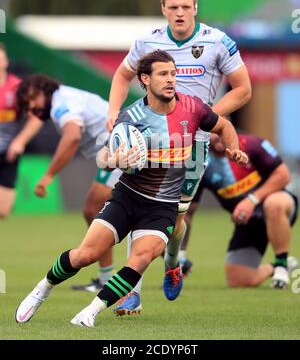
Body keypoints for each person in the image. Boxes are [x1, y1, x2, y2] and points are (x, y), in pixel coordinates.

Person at [15, 50, 248, 327]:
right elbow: (104, 156)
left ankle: (92, 311)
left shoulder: (193, 107)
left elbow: (223, 125)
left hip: (164, 204)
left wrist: (233, 148)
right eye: (163, 74)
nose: (171, 79)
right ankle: (42, 289)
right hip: (128, 197)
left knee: (143, 256)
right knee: (85, 255)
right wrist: (114, 158)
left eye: (173, 73)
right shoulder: (130, 117)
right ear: (145, 79)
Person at [103, 0, 251, 314]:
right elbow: (122, 75)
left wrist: (206, 116)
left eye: (186, 7)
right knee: (138, 206)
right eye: (173, 8)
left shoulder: (217, 41)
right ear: (164, 10)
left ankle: (172, 261)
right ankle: (131, 291)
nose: (180, 13)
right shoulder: (147, 42)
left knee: (175, 219)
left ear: (196, 8)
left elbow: (243, 89)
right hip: (150, 140)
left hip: (193, 146)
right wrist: (113, 111)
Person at [16, 74, 121, 287]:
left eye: (31, 101)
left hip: (119, 148)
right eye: (26, 107)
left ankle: (108, 279)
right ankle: (174, 258)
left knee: (93, 208)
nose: (30, 109)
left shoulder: (59, 104)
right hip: (119, 147)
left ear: (42, 89)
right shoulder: (64, 97)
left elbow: (72, 136)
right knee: (100, 210)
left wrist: (48, 175)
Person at [184, 132, 298, 289]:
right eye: (212, 131)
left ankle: (281, 264)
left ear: (228, 128)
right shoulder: (200, 160)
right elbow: (188, 210)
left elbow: (284, 175)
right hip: (249, 222)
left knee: (274, 204)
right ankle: (275, 267)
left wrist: (251, 200)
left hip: (278, 207)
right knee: (238, 281)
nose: (217, 136)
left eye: (220, 132)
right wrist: (179, 255)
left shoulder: (251, 144)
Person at [0, 43, 43, 218]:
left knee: (3, 210)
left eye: (1, 58)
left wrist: (20, 141)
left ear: (6, 62)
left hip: (8, 153)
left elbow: (36, 117)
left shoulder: (18, 87)